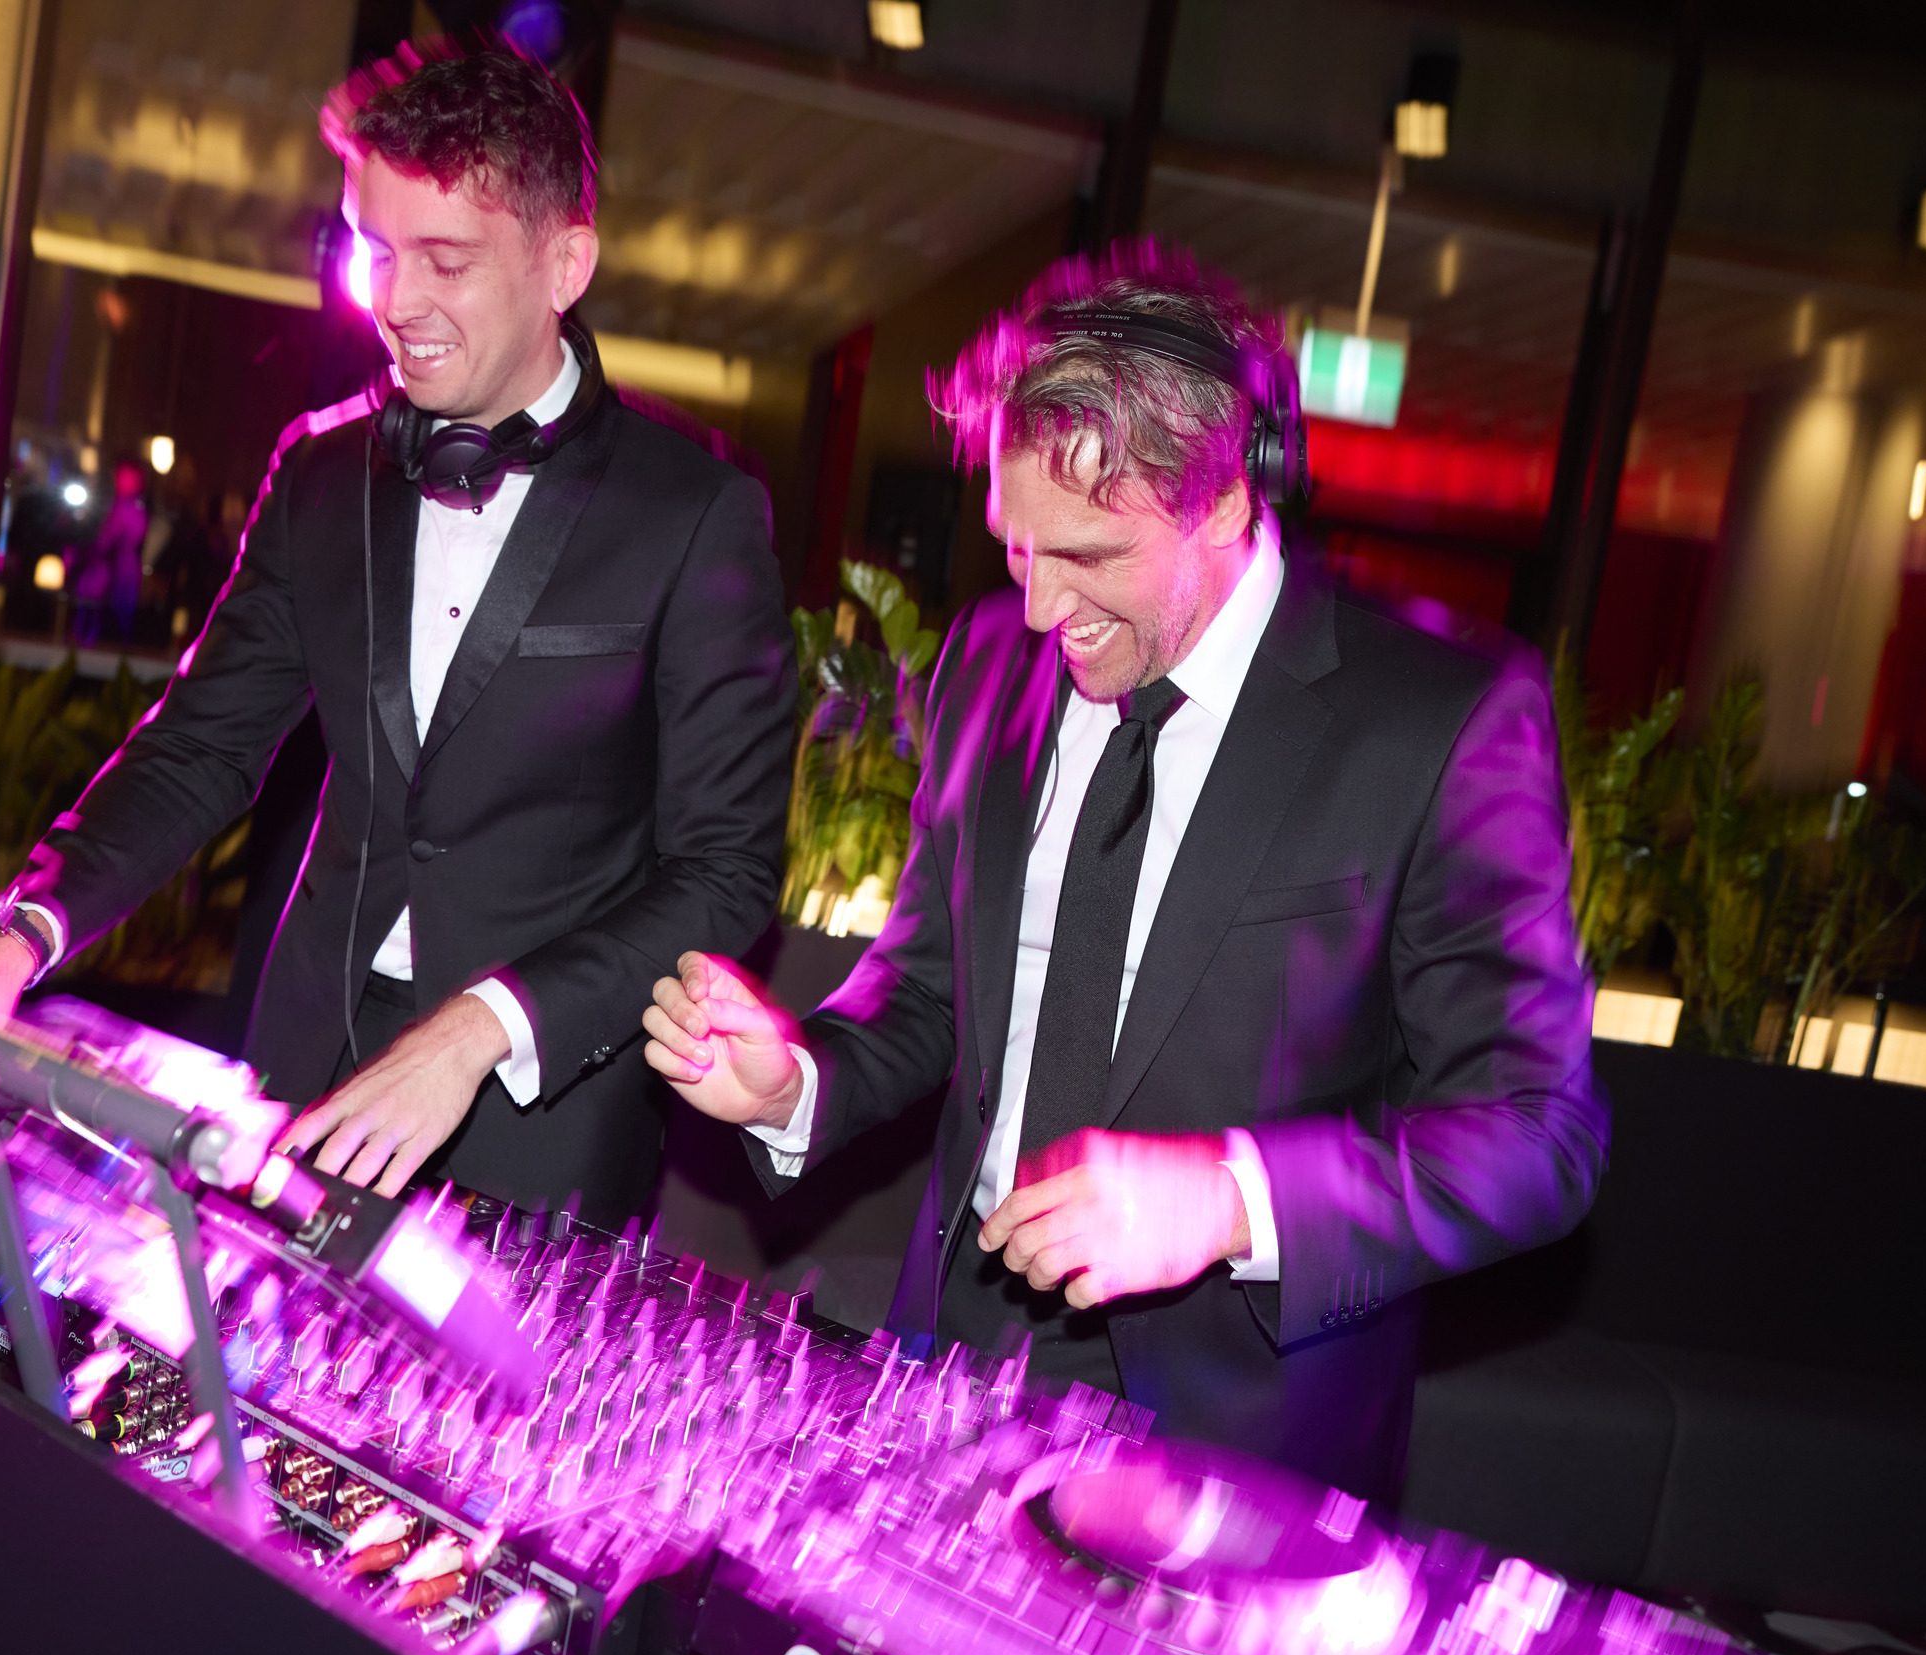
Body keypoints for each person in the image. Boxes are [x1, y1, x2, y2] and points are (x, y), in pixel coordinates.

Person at [642, 242, 1604, 1500]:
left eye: (1085, 556)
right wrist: (794, 1077)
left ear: (1222, 497)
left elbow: (1537, 1133)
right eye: (1013, 547)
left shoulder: (1440, 717)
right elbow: (931, 988)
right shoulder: (988, 658)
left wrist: (1228, 1197)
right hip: (950, 1371)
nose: (1036, 608)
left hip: (1234, 1432)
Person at [0, 37, 795, 1227]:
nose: (393, 301)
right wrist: (22, 931)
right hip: (303, 1072)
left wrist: (489, 1021)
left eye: (444, 259)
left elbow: (726, 868)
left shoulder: (693, 511)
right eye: (373, 250)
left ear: (564, 264)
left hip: (543, 1113)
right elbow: (199, 748)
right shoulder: (320, 473)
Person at [69, 461, 149, 649]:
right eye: (120, 477)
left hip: (120, 576)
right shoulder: (110, 506)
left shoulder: (134, 511)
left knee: (114, 627)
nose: (121, 481)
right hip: (101, 576)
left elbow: (117, 539)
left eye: (127, 478)